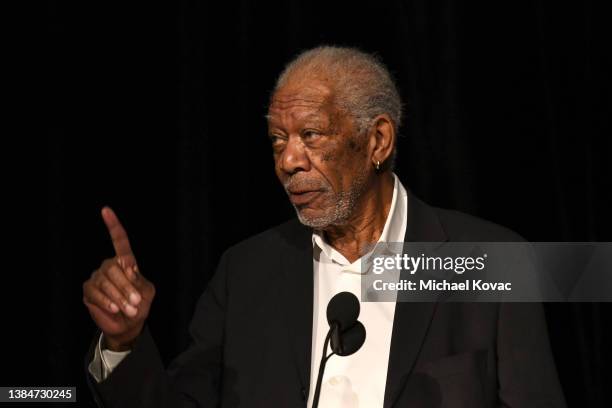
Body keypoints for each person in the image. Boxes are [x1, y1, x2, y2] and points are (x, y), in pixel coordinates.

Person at [83, 46, 566, 407]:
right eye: (277, 141)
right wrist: (124, 343)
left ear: (376, 140)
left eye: (310, 135)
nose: (289, 161)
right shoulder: (247, 272)